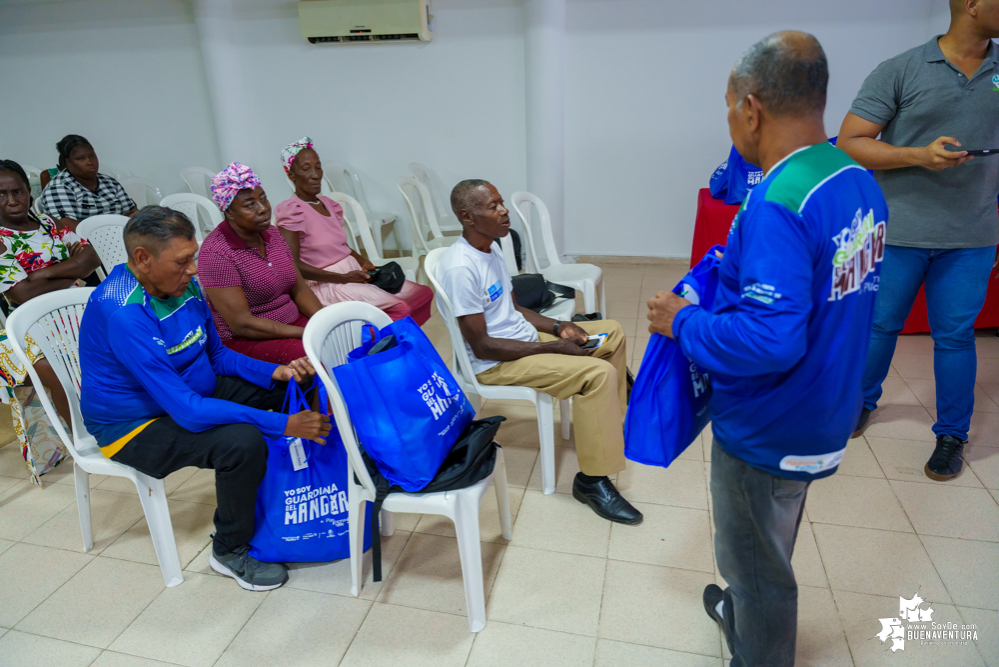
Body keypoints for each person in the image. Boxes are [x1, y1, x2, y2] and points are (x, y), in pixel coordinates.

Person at [646, 33, 888, 665]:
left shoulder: (778, 200)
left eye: (729, 109)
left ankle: (758, 648)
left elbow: (770, 339)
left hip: (768, 427)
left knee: (756, 567)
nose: (730, 121)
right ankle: (748, 616)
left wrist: (684, 323)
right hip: (826, 410)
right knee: (774, 539)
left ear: (750, 108)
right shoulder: (853, 178)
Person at [79, 205, 331, 591]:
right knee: (241, 443)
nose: (194, 269)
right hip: (134, 424)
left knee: (294, 387)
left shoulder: (181, 284)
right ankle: (229, 550)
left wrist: (274, 372)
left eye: (193, 257)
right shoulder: (124, 314)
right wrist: (284, 424)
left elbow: (217, 356)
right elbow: (188, 412)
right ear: (143, 259)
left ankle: (282, 503)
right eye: (182, 261)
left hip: (188, 390)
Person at [838, 0, 999, 481]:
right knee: (880, 325)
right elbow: (851, 142)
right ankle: (859, 404)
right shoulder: (901, 69)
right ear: (972, 4)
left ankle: (952, 434)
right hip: (900, 232)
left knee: (955, 337)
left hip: (971, 235)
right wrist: (917, 155)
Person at [437, 179, 642, 526]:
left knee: (613, 333)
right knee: (599, 373)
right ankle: (592, 482)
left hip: (521, 340)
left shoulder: (492, 248)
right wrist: (554, 347)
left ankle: (612, 425)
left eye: (502, 203)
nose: (504, 212)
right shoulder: (460, 268)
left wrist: (559, 328)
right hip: (494, 363)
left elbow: (514, 310)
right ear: (467, 216)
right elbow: (482, 345)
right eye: (493, 207)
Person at [0, 159, 102, 484]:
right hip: (26, 328)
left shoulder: (47, 223)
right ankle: (87, 436)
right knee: (56, 363)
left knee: (128, 332)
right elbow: (23, 296)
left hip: (74, 314)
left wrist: (43, 273)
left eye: (18, 191)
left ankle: (130, 415)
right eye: (1, 195)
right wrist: (72, 269)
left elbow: (91, 258)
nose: (12, 200)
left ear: (29, 193)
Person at [274, 137, 434, 325]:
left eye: (318, 167)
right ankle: (369, 348)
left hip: (351, 273)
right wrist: (342, 278)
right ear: (291, 175)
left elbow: (339, 245)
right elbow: (292, 266)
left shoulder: (328, 204)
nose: (316, 174)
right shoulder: (293, 210)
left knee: (422, 294)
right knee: (398, 308)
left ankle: (399, 344)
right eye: (306, 168)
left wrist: (362, 260)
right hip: (326, 283)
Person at [199, 163, 324, 365]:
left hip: (293, 324)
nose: (264, 209)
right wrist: (306, 332)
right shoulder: (216, 253)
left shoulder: (272, 234)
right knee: (316, 357)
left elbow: (300, 289)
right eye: (250, 205)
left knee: (349, 337)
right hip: (248, 339)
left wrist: (325, 321)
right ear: (229, 212)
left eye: (263, 199)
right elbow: (242, 324)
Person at [38, 135, 137, 231]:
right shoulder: (58, 187)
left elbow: (132, 212)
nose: (90, 162)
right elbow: (66, 225)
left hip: (121, 237)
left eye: (92, 156)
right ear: (68, 162)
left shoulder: (110, 182)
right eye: (81, 159)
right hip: (83, 244)